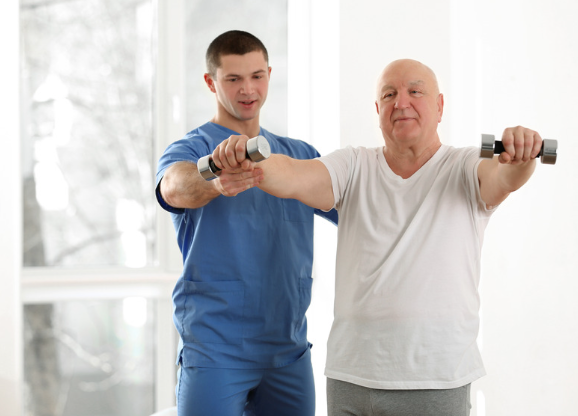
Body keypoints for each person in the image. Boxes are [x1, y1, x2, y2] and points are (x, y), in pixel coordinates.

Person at [210, 59, 544, 416]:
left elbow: (503, 178)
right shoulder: (354, 166)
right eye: (389, 94)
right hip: (352, 377)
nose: (401, 102)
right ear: (378, 109)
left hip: (435, 379)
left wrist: (522, 156)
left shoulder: (464, 167)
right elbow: (293, 173)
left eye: (415, 91)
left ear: (440, 106)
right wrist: (248, 159)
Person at [155, 30, 337, 416]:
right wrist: (215, 176)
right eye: (233, 79)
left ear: (269, 74)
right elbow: (173, 187)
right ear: (211, 82)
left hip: (288, 351)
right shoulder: (192, 150)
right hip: (215, 350)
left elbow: (360, 208)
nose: (248, 89)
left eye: (257, 76)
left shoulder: (300, 155)